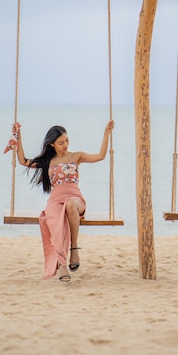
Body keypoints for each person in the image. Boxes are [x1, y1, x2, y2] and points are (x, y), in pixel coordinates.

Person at [11, 120, 114, 282]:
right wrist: (19, 139)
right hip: (55, 201)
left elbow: (100, 156)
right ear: (52, 144)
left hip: (75, 198)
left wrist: (106, 133)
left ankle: (74, 248)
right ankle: (63, 265)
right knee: (55, 221)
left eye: (67, 140)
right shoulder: (47, 162)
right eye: (61, 142)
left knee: (70, 204)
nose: (65, 144)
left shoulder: (76, 156)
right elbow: (23, 161)